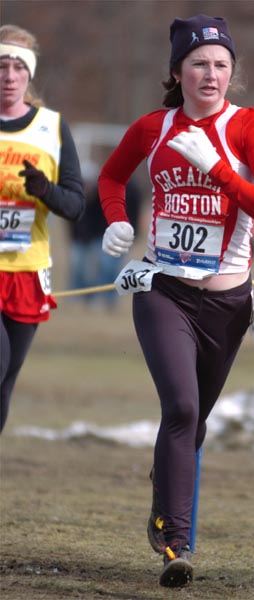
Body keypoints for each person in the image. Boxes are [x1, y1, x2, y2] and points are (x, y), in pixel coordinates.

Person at [98, 14, 254, 587]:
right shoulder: (154, 128)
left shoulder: (248, 126)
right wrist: (115, 223)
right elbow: (110, 180)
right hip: (165, 292)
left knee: (194, 421)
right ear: (177, 71)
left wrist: (219, 169)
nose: (212, 74)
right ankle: (174, 544)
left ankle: (167, 493)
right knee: (179, 408)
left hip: (227, 303)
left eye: (222, 64)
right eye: (200, 63)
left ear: (233, 73)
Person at [0, 25, 85, 432]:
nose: (9, 75)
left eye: (18, 66)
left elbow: (75, 206)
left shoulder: (51, 128)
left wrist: (44, 190)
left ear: (29, 74)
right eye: (2, 65)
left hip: (27, 270)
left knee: (4, 383)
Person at [68, 161, 143, 310]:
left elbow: (134, 213)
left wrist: (133, 232)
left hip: (119, 235)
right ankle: (88, 297)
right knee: (87, 266)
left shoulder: (133, 191)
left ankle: (107, 299)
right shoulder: (89, 195)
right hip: (95, 236)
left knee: (109, 266)